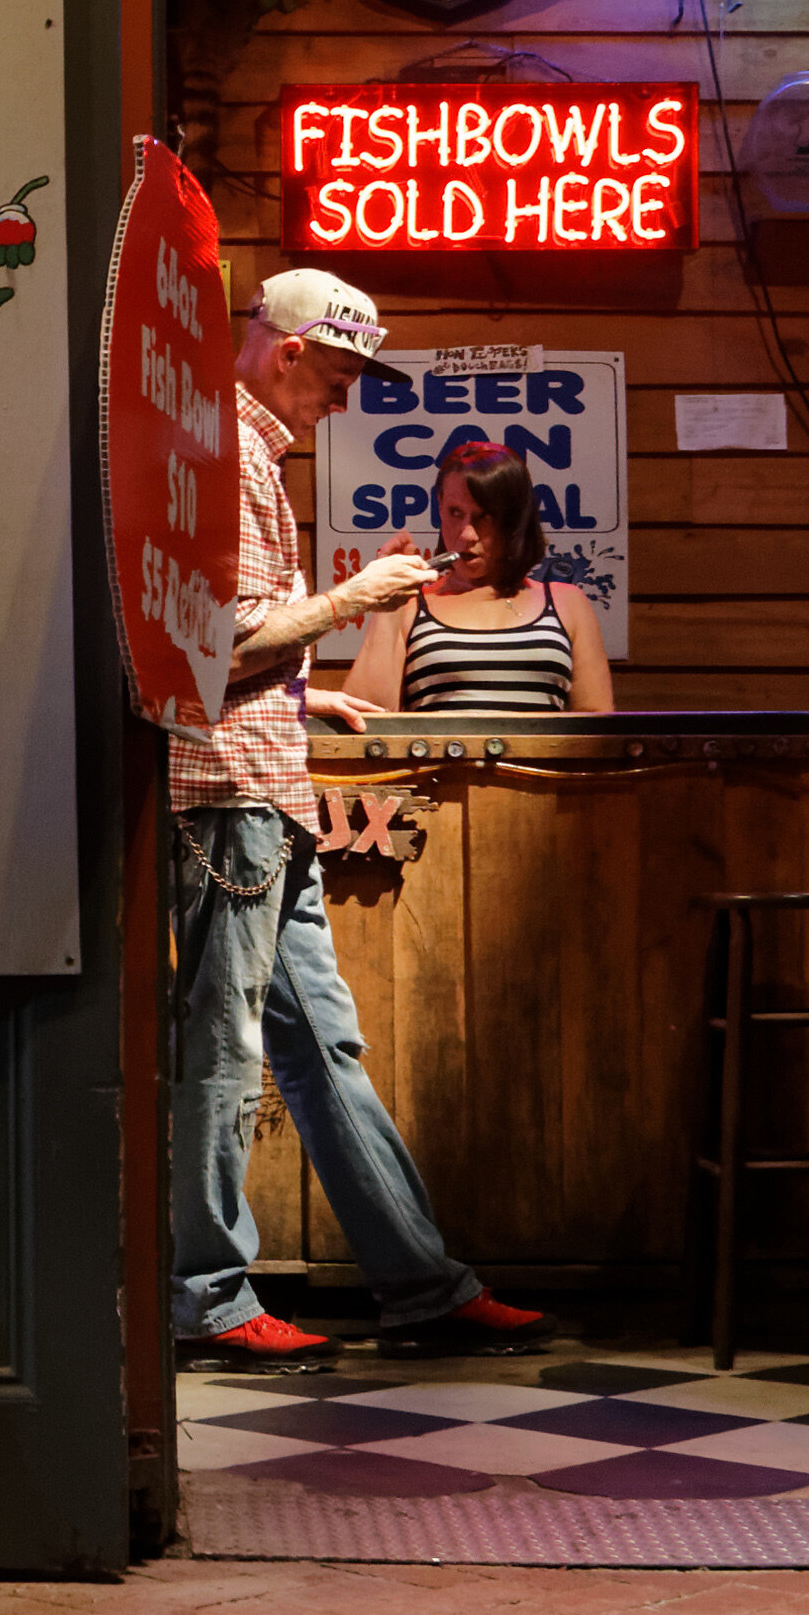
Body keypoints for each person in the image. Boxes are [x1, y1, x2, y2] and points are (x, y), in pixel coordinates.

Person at [171, 271, 550, 1366]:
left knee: (319, 1046)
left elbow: (230, 644)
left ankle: (420, 1285)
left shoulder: (244, 449)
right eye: (339, 374)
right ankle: (207, 1298)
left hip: (264, 788)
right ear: (289, 349)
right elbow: (214, 647)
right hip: (231, 795)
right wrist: (351, 602)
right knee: (226, 1049)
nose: (345, 399)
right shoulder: (228, 454)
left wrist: (306, 692)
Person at [346, 436, 615, 717]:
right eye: (455, 513)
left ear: (514, 519)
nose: (467, 535)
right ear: (439, 507)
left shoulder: (566, 602)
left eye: (484, 517)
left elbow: (595, 721)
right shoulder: (411, 606)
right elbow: (366, 717)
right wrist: (387, 600)